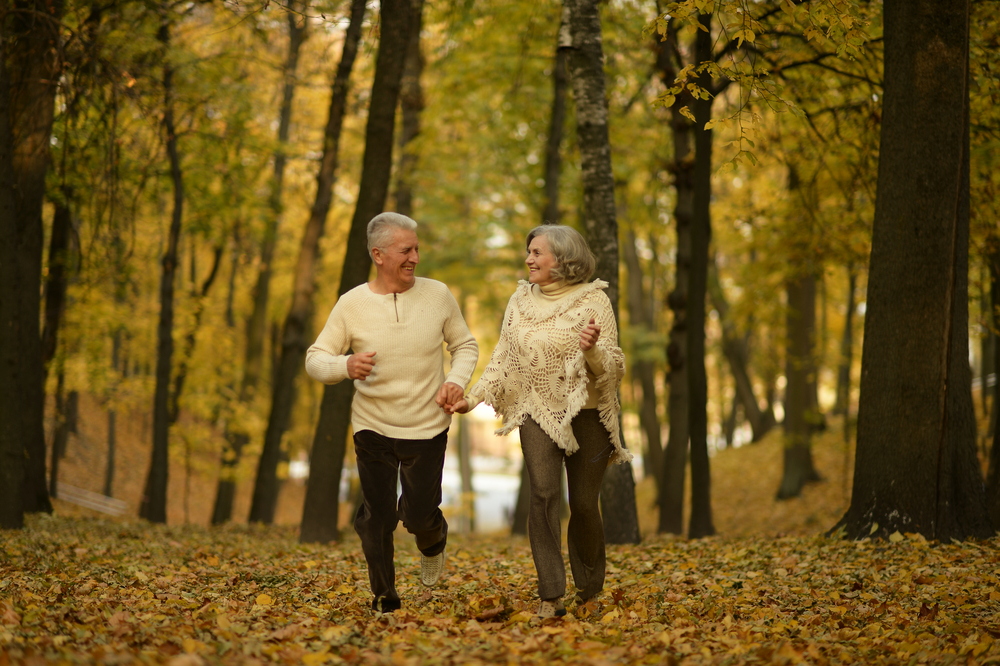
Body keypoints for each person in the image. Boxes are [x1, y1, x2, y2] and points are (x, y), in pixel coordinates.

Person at [445, 224, 629, 619]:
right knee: (543, 495)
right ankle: (551, 594)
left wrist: (592, 349)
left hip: (588, 414)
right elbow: (503, 358)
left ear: (563, 259)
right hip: (535, 411)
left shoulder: (595, 301)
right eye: (528, 253)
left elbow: (613, 368)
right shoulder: (520, 301)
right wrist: (473, 398)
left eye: (536, 253)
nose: (528, 260)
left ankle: (590, 588)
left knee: (582, 503)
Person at [305, 212, 479, 614]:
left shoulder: (437, 295)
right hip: (373, 427)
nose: (415, 257)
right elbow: (316, 359)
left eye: (417, 248)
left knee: (418, 514)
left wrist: (455, 380)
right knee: (378, 514)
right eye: (406, 250)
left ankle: (432, 539)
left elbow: (465, 345)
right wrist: (344, 366)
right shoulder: (352, 304)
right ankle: (385, 595)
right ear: (378, 255)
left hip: (427, 425)